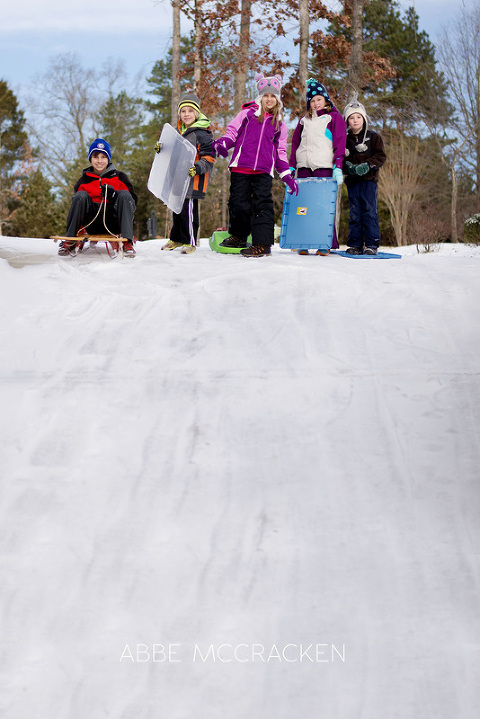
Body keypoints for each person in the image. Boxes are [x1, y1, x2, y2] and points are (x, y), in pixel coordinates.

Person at [212, 72, 298, 257]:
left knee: (262, 205)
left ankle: (262, 244)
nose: (269, 99)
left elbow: (280, 152)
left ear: (277, 99)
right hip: (241, 166)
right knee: (238, 203)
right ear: (260, 97)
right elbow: (232, 132)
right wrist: (223, 143)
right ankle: (238, 236)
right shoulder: (247, 114)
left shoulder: (280, 125)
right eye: (265, 95)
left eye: (272, 96)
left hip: (263, 171)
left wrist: (287, 176)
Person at [289, 78, 347, 255]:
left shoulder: (334, 118)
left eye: (318, 99)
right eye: (312, 101)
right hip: (304, 166)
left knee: (322, 205)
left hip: (324, 165)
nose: (315, 103)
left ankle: (324, 242)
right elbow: (295, 144)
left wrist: (338, 166)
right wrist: (291, 167)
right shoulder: (303, 121)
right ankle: (304, 241)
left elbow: (339, 142)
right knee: (303, 205)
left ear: (326, 100)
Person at [59, 138, 137, 256]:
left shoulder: (120, 177)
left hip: (113, 222)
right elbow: (77, 207)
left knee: (124, 194)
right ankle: (70, 240)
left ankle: (127, 241)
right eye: (96, 156)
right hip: (91, 223)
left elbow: (132, 202)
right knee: (80, 196)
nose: (99, 161)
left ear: (108, 159)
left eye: (103, 157)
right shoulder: (83, 181)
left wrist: (115, 195)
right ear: (91, 158)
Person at [159, 91, 215, 254]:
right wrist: (161, 148)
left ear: (196, 113)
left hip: (193, 179)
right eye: (183, 111)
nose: (186, 114)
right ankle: (176, 238)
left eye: (190, 111)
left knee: (189, 210)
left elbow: (209, 157)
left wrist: (197, 168)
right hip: (177, 178)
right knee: (177, 210)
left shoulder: (203, 134)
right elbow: (171, 151)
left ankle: (190, 241)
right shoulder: (177, 132)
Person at [342, 94, 387, 255]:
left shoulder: (373, 137)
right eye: (351, 117)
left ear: (364, 118)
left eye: (358, 117)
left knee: (369, 210)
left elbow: (381, 156)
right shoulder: (344, 139)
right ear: (347, 121)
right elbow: (339, 159)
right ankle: (355, 244)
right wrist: (347, 167)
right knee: (355, 212)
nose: (355, 120)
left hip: (369, 181)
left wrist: (368, 165)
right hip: (353, 182)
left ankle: (371, 244)